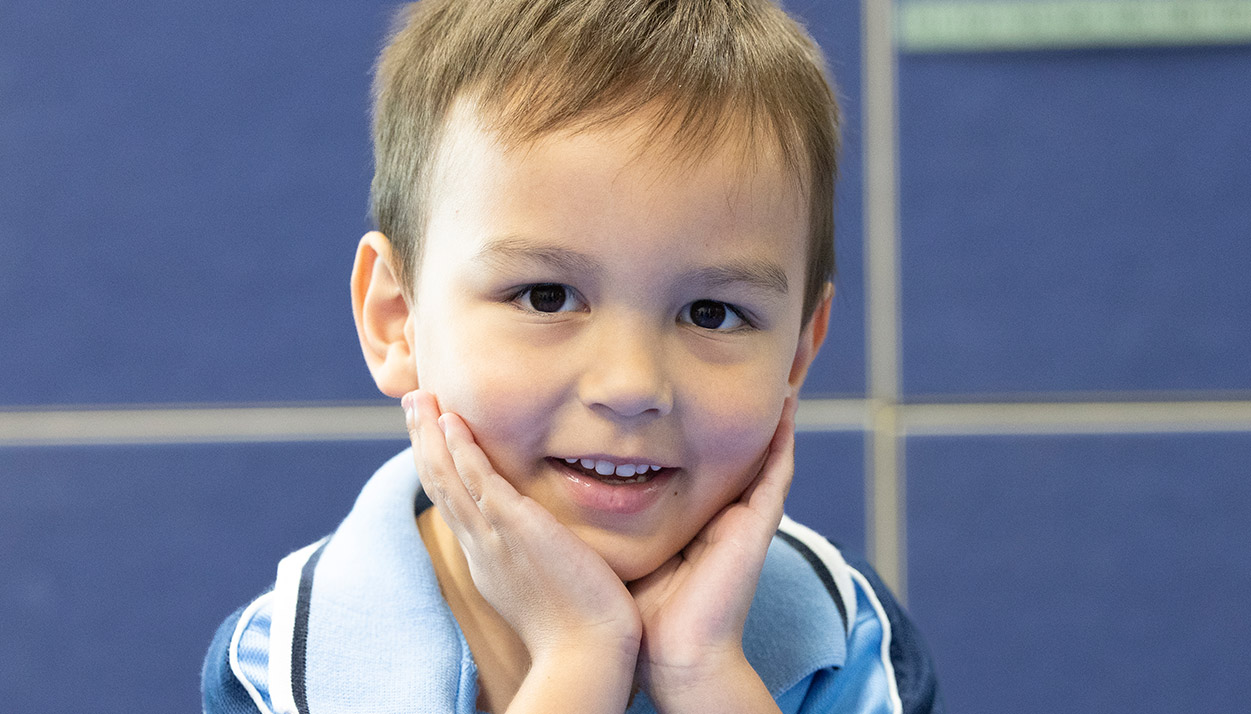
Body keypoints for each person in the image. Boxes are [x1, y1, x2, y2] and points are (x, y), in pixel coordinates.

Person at [199, 1, 939, 712]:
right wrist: (580, 660)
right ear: (398, 321)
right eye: (546, 297)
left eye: (712, 313)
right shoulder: (286, 667)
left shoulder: (850, 637)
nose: (630, 386)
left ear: (799, 353)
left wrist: (705, 676)